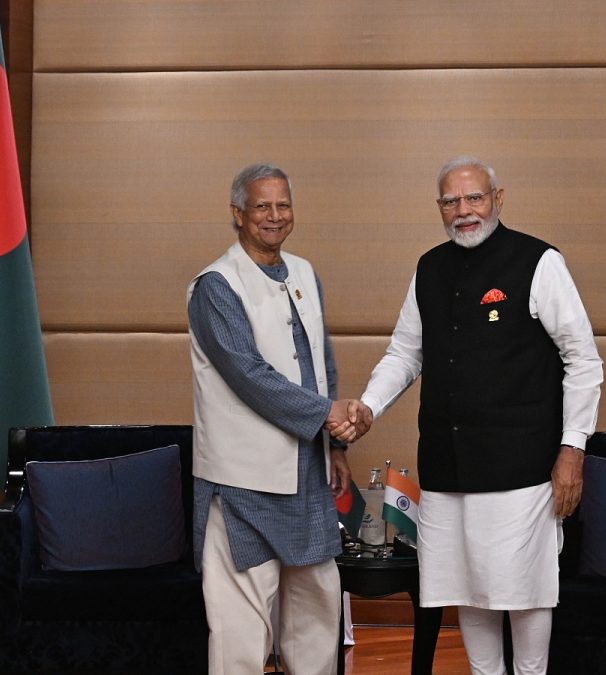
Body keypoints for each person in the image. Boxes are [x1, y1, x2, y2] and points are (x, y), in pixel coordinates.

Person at [347, 156, 604, 674]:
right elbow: (404, 353)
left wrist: (572, 449)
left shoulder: (538, 262)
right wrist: (369, 406)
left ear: (498, 199)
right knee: (467, 589)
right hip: (447, 470)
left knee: (525, 591)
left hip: (521, 468)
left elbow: (583, 358)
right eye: (451, 201)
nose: (464, 211)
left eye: (474, 198)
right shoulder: (429, 267)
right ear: (439, 207)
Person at [186, 162, 366, 674]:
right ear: (237, 213)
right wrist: (330, 415)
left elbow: (321, 364)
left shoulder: (305, 274)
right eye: (261, 205)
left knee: (316, 609)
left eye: (283, 204)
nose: (274, 215)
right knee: (240, 626)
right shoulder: (215, 286)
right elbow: (250, 375)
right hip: (241, 481)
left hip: (304, 473)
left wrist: (336, 447)